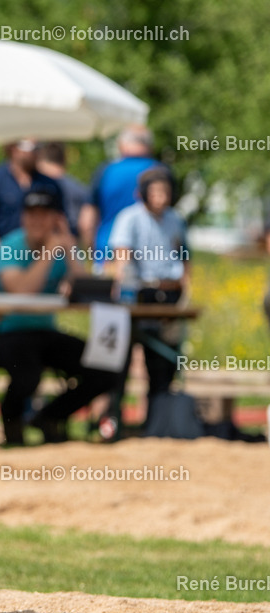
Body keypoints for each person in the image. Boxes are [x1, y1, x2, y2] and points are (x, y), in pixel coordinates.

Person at [0, 185, 118, 446]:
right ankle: (11, 421)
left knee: (105, 369)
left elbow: (88, 291)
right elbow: (23, 290)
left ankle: (49, 417)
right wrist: (49, 251)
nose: (38, 220)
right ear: (23, 217)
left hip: (45, 332)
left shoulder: (61, 248)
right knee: (28, 373)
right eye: (32, 213)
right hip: (8, 332)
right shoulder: (9, 246)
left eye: (45, 213)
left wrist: (71, 249)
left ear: (56, 218)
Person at [106, 167, 190, 425]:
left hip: (168, 295)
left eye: (164, 191)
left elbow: (185, 256)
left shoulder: (175, 219)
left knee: (163, 360)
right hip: (137, 294)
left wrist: (185, 288)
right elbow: (121, 256)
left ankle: (156, 420)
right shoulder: (129, 218)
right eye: (154, 191)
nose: (160, 197)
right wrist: (126, 285)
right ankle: (113, 418)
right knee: (119, 360)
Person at [79, 124, 166, 267]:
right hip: (152, 261)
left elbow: (87, 222)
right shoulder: (160, 172)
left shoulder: (105, 171)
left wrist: (93, 253)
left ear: (121, 144)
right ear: (150, 146)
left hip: (107, 256)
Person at [0, 139, 62, 251]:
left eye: (39, 146)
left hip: (43, 256)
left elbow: (59, 223)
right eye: (29, 146)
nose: (36, 151)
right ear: (13, 147)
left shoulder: (50, 184)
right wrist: (5, 256)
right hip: (0, 256)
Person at [36, 142, 90, 237]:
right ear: (64, 160)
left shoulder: (35, 186)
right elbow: (85, 225)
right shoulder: (79, 188)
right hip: (71, 244)